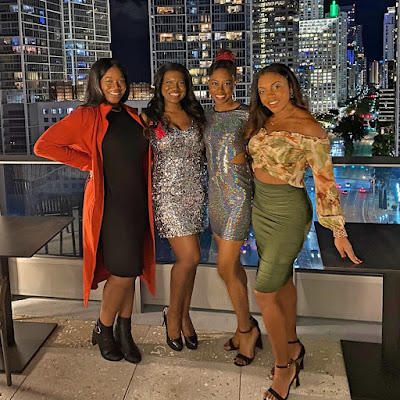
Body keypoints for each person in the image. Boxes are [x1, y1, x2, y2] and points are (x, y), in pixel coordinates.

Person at [246, 63, 362, 400]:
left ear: (291, 87)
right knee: (282, 281)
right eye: (263, 90)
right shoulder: (265, 120)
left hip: (288, 213)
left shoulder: (310, 128)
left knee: (264, 291)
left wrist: (338, 231)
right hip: (260, 209)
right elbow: (257, 158)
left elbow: (325, 182)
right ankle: (293, 344)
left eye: (276, 87)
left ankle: (284, 368)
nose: (269, 96)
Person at [34, 58, 155, 364]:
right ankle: (103, 328)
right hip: (110, 206)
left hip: (137, 204)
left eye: (121, 81)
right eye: (109, 81)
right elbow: (44, 146)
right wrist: (89, 163)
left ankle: (125, 333)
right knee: (123, 272)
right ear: (97, 84)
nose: (116, 86)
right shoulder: (87, 115)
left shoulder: (132, 115)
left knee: (131, 271)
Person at [142, 63, 207, 351]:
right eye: (169, 82)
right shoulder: (149, 118)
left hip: (196, 193)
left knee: (191, 261)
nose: (175, 88)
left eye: (180, 82)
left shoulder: (196, 115)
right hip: (167, 195)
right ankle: (172, 314)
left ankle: (183, 315)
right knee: (190, 256)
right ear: (160, 85)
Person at [203, 49, 261, 366]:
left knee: (225, 268)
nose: (220, 90)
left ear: (235, 83)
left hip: (238, 198)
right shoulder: (206, 116)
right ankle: (244, 327)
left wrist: (248, 159)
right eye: (215, 83)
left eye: (226, 84)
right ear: (208, 84)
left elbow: (263, 149)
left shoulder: (247, 115)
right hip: (215, 198)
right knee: (233, 268)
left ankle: (247, 331)